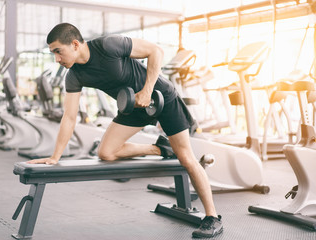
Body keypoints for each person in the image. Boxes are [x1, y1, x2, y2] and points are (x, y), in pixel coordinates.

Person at [27, 22, 223, 238]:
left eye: (58, 51)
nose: (56, 58)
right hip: (133, 108)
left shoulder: (109, 45)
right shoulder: (74, 75)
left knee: (186, 158)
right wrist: (55, 156)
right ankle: (160, 149)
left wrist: (147, 90)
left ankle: (212, 217)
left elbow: (155, 51)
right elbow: (69, 116)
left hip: (161, 98)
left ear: (74, 44)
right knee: (106, 153)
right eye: (53, 53)